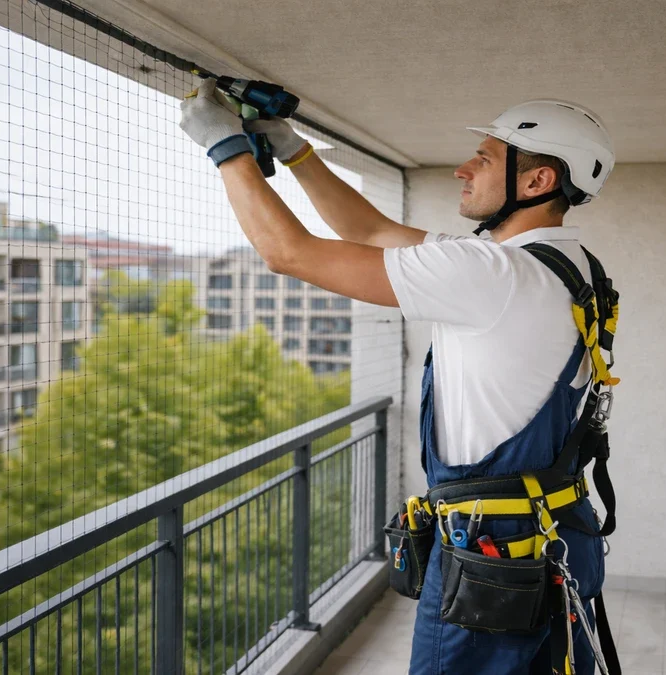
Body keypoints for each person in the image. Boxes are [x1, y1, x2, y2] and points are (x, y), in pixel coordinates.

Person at [180, 79, 619, 674]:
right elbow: (371, 232)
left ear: (539, 181)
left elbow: (288, 253)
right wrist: (293, 151)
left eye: (486, 159)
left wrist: (224, 147)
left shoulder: (493, 273)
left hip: (490, 557)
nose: (465, 169)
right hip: (550, 533)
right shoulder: (568, 265)